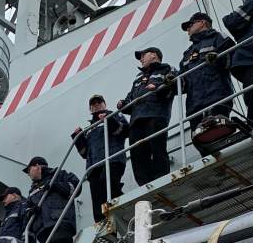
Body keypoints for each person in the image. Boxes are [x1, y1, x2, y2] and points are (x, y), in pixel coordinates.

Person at [119, 47, 176, 185]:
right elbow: (130, 100)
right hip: (137, 120)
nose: (141, 59)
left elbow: (176, 86)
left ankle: (162, 180)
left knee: (157, 148)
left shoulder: (167, 69)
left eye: (143, 55)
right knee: (137, 153)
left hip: (156, 115)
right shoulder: (138, 79)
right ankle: (144, 184)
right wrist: (123, 104)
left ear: (154, 55)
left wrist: (158, 88)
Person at [179, 12, 237, 146]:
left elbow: (232, 56)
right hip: (195, 105)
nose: (188, 29)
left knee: (220, 132)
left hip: (217, 95)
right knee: (199, 139)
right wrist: (169, 83)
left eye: (190, 25)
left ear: (202, 22)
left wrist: (217, 58)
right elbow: (182, 83)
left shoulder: (218, 37)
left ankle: (224, 159)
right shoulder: (188, 53)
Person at [71, 95, 129, 222]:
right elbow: (84, 153)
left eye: (99, 102)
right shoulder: (89, 129)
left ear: (104, 104)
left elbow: (125, 131)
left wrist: (108, 121)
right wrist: (78, 137)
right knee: (97, 197)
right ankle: (101, 224)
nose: (96, 105)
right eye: (93, 104)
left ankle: (125, 209)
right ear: (90, 109)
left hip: (113, 159)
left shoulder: (114, 115)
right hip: (94, 167)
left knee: (108, 185)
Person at [22, 156, 80, 243]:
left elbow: (76, 188)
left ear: (37, 166)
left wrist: (56, 185)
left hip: (59, 224)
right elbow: (26, 211)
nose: (29, 174)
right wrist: (31, 211)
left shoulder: (60, 175)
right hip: (43, 231)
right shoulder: (32, 190)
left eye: (29, 170)